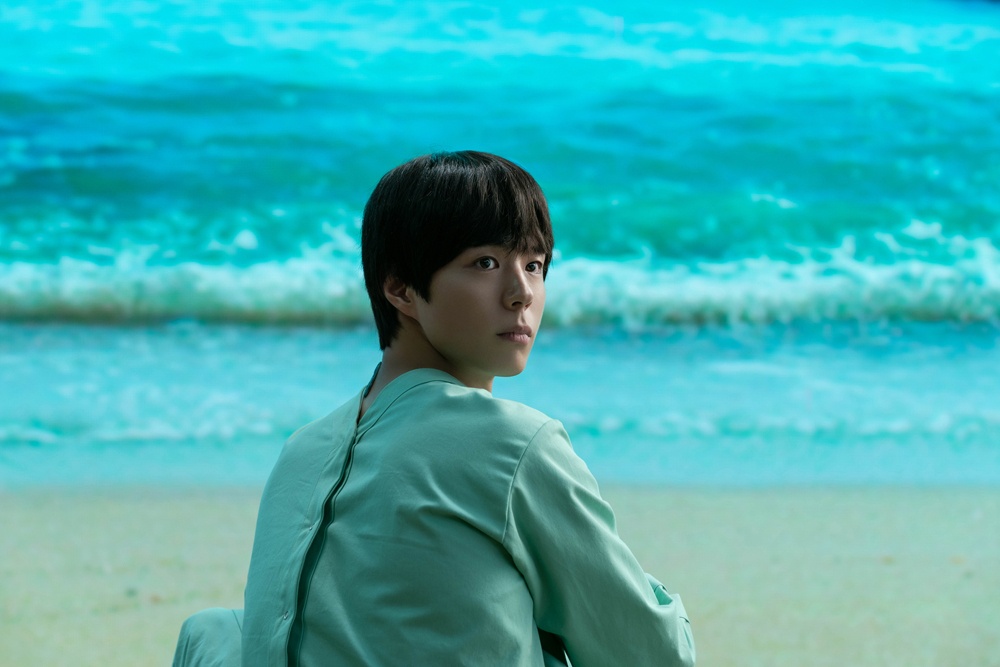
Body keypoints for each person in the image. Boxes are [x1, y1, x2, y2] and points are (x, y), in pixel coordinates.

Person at [173, 151, 695, 666]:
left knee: (217, 631)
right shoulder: (511, 445)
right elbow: (654, 655)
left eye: (534, 265)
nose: (521, 294)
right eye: (485, 263)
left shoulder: (302, 450)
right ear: (400, 288)